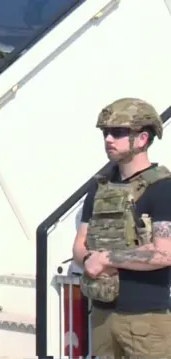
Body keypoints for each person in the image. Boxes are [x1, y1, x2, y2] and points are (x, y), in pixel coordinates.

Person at [80, 98, 171, 358]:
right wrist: (89, 259)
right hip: (102, 316)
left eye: (118, 132)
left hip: (146, 320)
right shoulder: (99, 187)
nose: (109, 139)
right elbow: (80, 243)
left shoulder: (163, 188)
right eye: (106, 132)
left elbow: (165, 252)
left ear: (142, 139)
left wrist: (107, 258)